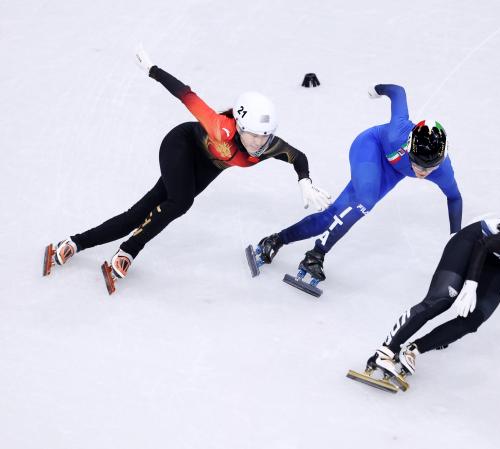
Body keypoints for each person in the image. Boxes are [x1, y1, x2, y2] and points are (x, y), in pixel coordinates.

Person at [45, 46, 331, 285]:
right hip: (181, 145)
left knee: (139, 214)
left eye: (264, 135)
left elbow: (298, 156)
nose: (259, 142)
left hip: (207, 168)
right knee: (180, 202)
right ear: (240, 126)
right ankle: (128, 249)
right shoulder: (220, 128)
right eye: (253, 134)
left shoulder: (269, 146)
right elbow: (186, 95)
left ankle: (77, 243)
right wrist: (152, 69)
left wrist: (303, 180)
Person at [250, 84, 463, 286]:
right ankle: (317, 254)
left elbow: (455, 198)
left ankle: (276, 240)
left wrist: (456, 238)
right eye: (417, 164)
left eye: (430, 169)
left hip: (391, 171)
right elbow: (398, 92)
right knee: (365, 201)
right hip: (370, 147)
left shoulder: (443, 170)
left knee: (332, 216)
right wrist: (376, 90)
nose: (423, 173)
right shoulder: (397, 132)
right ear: (408, 147)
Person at [364, 204, 500, 384]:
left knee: (474, 319)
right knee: (442, 299)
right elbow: (483, 244)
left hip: (499, 260)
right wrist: (470, 284)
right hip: (473, 242)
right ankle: (385, 352)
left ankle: (413, 350)